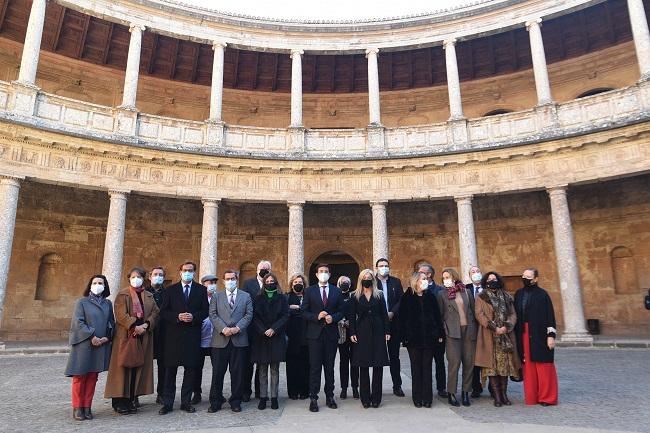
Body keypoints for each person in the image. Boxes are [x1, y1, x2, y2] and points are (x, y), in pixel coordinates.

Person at [105, 267, 160, 415]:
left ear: (144, 279)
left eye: (139, 277)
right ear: (129, 278)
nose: (136, 279)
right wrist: (134, 326)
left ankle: (132, 399)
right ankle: (119, 402)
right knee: (123, 368)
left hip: (144, 336)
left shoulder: (148, 295)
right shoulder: (123, 294)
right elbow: (121, 314)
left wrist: (147, 324)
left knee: (137, 368)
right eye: (133, 277)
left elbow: (155, 312)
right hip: (126, 336)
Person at [158, 261, 209, 415]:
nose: (188, 272)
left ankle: (186, 402)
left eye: (190, 270)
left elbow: (205, 311)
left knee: (190, 371)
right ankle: (168, 402)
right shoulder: (170, 290)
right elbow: (163, 312)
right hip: (173, 337)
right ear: (180, 272)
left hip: (192, 336)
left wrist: (193, 317)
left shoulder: (201, 290)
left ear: (194, 272)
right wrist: (177, 316)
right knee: (170, 372)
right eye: (185, 270)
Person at [65, 275, 115, 421]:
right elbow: (78, 322)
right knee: (79, 376)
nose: (97, 285)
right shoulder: (82, 302)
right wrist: (91, 336)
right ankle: (77, 407)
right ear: (90, 285)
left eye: (100, 283)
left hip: (101, 344)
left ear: (105, 286)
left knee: (93, 376)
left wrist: (107, 336)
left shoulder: (107, 303)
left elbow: (111, 322)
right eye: (95, 282)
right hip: (84, 343)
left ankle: (87, 406)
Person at [301, 263, 345, 412]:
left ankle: (330, 396)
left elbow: (341, 311)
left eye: (326, 271)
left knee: (329, 367)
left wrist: (334, 317)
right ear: (316, 274)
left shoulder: (336, 291)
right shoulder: (309, 291)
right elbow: (304, 311)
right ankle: (313, 397)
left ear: (330, 274)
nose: (323, 273)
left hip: (331, 334)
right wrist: (316, 316)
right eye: (321, 271)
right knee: (314, 367)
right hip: (314, 335)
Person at [208, 269, 253, 413]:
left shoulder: (246, 296)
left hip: (239, 340)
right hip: (220, 340)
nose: (230, 281)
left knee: (238, 373)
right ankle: (216, 400)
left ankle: (236, 400)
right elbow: (213, 314)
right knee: (217, 373)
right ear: (223, 281)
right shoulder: (217, 296)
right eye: (227, 279)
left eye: (232, 278)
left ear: (237, 279)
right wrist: (223, 328)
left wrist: (237, 328)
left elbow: (248, 314)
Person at [474, 271, 521, 407]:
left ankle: (504, 395)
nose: (492, 281)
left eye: (494, 278)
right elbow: (479, 314)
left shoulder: (507, 296)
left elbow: (513, 314)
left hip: (506, 336)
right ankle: (497, 396)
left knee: (504, 367)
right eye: (489, 279)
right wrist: (494, 328)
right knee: (492, 368)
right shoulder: (481, 297)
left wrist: (507, 326)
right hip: (489, 335)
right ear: (485, 281)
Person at [514, 268, 559, 406]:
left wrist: (551, 336)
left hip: (540, 333)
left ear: (535, 279)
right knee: (528, 365)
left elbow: (550, 316)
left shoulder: (543, 295)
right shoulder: (519, 294)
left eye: (528, 276)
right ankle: (532, 397)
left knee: (544, 365)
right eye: (523, 276)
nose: (525, 278)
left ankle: (547, 397)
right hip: (523, 333)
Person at [399, 272, 444, 408]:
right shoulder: (407, 297)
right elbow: (402, 318)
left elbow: (437, 316)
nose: (426, 281)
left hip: (430, 338)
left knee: (427, 367)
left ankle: (427, 398)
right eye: (423, 279)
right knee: (416, 368)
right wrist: (404, 337)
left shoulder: (430, 296)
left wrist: (439, 333)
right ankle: (417, 397)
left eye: (427, 279)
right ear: (416, 281)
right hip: (413, 340)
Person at [350, 269, 390, 408]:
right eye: (364, 277)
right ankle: (365, 398)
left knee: (378, 365)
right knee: (364, 365)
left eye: (369, 277)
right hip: (362, 331)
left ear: (373, 279)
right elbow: (351, 316)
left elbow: (384, 314)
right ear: (361, 279)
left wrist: (387, 331)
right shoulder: (354, 295)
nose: (367, 279)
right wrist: (352, 332)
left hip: (378, 330)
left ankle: (376, 398)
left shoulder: (379, 294)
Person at [438, 267, 477, 407]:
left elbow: (473, 310)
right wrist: (445, 329)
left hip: (469, 330)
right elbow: (440, 315)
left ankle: (466, 392)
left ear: (454, 277)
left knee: (469, 362)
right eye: (444, 278)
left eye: (448, 276)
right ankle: (451, 392)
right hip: (452, 332)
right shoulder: (442, 294)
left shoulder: (466, 291)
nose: (446, 280)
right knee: (454, 363)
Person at [251, 272, 289, 410]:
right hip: (261, 337)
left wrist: (274, 329)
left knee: (274, 369)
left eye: (272, 280)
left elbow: (285, 315)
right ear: (264, 282)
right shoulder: (258, 298)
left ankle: (274, 397)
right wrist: (263, 330)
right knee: (262, 370)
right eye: (268, 280)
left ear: (276, 282)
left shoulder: (282, 297)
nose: (270, 282)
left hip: (276, 336)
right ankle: (262, 397)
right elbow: (254, 317)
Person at [241, 259, 271, 401]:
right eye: (262, 268)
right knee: (247, 362)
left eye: (267, 269)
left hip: (265, 329)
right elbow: (244, 303)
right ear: (257, 270)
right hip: (250, 327)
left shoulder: (272, 283)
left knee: (262, 362)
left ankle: (261, 391)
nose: (264, 270)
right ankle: (246, 391)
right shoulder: (248, 284)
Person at [417, 262, 447, 397]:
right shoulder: (415, 289)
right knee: (424, 363)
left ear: (429, 274)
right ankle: (424, 389)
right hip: (422, 333)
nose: (419, 273)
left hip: (437, 332)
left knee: (439, 361)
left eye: (421, 271)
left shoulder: (440, 290)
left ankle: (441, 388)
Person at [375, 258, 404, 397]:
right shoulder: (372, 282)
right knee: (377, 356)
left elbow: (401, 300)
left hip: (394, 323)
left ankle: (397, 385)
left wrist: (392, 312)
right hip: (377, 325)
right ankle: (376, 387)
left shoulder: (396, 282)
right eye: (381, 266)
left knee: (394, 357)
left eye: (386, 266)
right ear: (376, 268)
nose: (384, 268)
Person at [191, 274, 219, 404]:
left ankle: (216, 393)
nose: (212, 285)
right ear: (203, 284)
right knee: (197, 367)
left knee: (218, 367)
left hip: (216, 339)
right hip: (200, 337)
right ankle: (196, 392)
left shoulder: (219, 298)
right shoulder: (197, 298)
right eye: (209, 282)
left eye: (214, 282)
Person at [286, 274, 310, 400]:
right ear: (291, 284)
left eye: (300, 282)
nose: (297, 284)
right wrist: (291, 309)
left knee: (305, 365)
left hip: (307, 335)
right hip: (292, 335)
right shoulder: (287, 297)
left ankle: (305, 391)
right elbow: (284, 312)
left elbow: (310, 312)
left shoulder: (308, 296)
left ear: (304, 283)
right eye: (295, 282)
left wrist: (298, 309)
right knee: (292, 365)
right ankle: (293, 392)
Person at [146, 266, 166, 404]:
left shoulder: (168, 293)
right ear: (150, 276)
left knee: (163, 366)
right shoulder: (143, 292)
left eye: (161, 274)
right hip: (147, 332)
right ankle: (135, 396)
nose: (158, 276)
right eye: (155, 274)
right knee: (141, 365)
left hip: (164, 334)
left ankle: (162, 393)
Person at [337, 275, 359, 399]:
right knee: (343, 362)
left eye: (347, 282)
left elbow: (358, 311)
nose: (344, 283)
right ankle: (344, 388)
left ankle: (355, 387)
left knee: (355, 361)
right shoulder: (336, 296)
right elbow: (334, 311)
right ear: (338, 284)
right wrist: (342, 321)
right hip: (342, 334)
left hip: (354, 333)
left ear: (350, 284)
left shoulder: (354, 296)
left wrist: (352, 322)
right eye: (342, 282)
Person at [466, 265, 484, 398]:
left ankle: (492, 386)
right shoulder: (466, 289)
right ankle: (475, 386)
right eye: (473, 272)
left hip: (487, 328)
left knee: (488, 356)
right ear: (469, 275)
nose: (476, 273)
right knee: (473, 358)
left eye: (478, 271)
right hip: (472, 328)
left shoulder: (488, 288)